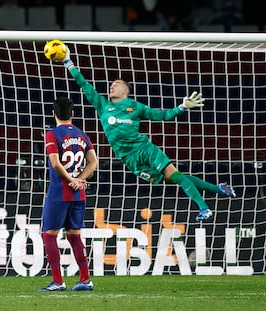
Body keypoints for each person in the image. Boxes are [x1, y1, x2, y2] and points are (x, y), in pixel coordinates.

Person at [60, 46, 236, 222]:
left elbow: (162, 115)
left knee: (176, 176)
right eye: (112, 84)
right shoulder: (103, 105)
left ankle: (204, 208)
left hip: (144, 149)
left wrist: (181, 107)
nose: (112, 86)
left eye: (117, 84)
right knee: (176, 178)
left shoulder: (136, 107)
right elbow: (83, 84)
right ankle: (219, 189)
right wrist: (68, 62)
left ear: (125, 91)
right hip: (129, 160)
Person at [40, 97, 98, 292]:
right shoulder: (82, 135)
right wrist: (79, 179)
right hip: (78, 195)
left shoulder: (52, 134)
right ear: (72, 114)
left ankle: (58, 281)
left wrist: (71, 180)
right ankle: (85, 279)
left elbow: (56, 163)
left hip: (59, 193)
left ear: (53, 114)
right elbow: (93, 162)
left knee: (49, 235)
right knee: (74, 237)